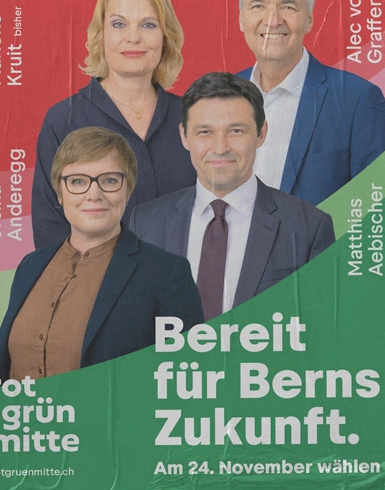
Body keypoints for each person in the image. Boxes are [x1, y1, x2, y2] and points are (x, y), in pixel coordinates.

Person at [0, 127, 202, 380]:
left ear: (129, 188)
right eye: (78, 181)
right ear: (59, 192)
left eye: (110, 180)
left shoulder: (167, 273)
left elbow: (186, 379)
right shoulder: (31, 265)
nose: (94, 194)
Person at [131, 74, 335, 320]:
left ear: (261, 134)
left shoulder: (309, 228)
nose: (220, 147)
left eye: (236, 130)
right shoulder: (144, 224)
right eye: (205, 132)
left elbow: (320, 329)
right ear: (184, 136)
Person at [32, 0, 196, 248]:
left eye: (148, 25)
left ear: (165, 37)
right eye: (119, 24)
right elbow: (50, 230)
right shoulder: (65, 120)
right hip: (96, 288)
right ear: (101, 35)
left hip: (189, 288)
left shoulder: (194, 118)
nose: (133, 38)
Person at [235, 0, 385, 204]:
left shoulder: (357, 100)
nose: (273, 20)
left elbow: (377, 211)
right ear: (241, 18)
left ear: (309, 19)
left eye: (288, 6)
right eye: (258, 6)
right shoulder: (219, 98)